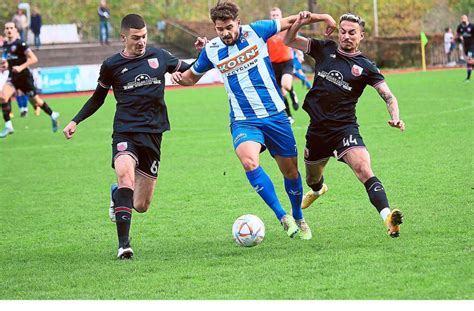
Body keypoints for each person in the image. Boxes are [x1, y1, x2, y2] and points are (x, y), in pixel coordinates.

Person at [171, 1, 336, 240]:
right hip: (243, 120)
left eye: (229, 26)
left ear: (238, 22)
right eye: (219, 29)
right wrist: (178, 77)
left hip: (275, 115)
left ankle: (298, 216)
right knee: (249, 161)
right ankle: (282, 216)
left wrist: (324, 17)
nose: (225, 32)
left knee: (290, 173)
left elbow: (293, 20)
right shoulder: (212, 50)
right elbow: (190, 77)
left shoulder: (256, 31)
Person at [63, 14, 191, 259]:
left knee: (141, 205)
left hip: (153, 134)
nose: (141, 41)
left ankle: (116, 195)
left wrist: (201, 58)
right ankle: (124, 245)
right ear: (123, 37)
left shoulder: (160, 57)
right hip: (125, 131)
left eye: (143, 36)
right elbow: (97, 98)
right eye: (135, 38)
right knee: (125, 175)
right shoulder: (111, 65)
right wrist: (75, 120)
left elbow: (191, 71)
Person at [284, 12, 405, 238]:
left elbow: (388, 96)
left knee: (363, 169)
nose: (346, 36)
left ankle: (388, 218)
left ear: (361, 36)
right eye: (343, 31)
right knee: (312, 179)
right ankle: (319, 190)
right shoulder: (324, 49)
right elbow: (289, 41)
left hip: (344, 129)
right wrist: (300, 22)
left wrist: (395, 116)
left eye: (352, 33)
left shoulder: (366, 67)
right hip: (318, 131)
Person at [0, 22, 60, 138]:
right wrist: (4, 66)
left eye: (11, 28)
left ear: (15, 30)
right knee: (2, 96)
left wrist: (21, 67)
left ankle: (53, 114)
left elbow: (34, 59)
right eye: (7, 28)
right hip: (13, 77)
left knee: (36, 101)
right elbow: (10, 61)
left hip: (25, 78)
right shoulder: (6, 45)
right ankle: (8, 126)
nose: (9, 30)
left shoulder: (21, 44)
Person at [267, 7, 299, 124]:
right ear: (270, 17)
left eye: (277, 15)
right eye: (273, 15)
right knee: (280, 93)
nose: (275, 17)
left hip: (287, 62)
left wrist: (299, 53)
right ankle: (289, 115)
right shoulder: (268, 31)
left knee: (285, 85)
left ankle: (292, 92)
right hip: (274, 64)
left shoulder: (286, 28)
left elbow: (295, 40)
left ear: (281, 16)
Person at [456, 15, 474, 81]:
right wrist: (459, 37)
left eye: (464, 18)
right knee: (470, 62)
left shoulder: (472, 26)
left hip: (472, 46)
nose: (463, 20)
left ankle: (468, 78)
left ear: (467, 19)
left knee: (469, 60)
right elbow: (458, 34)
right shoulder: (460, 27)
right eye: (462, 18)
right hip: (465, 47)